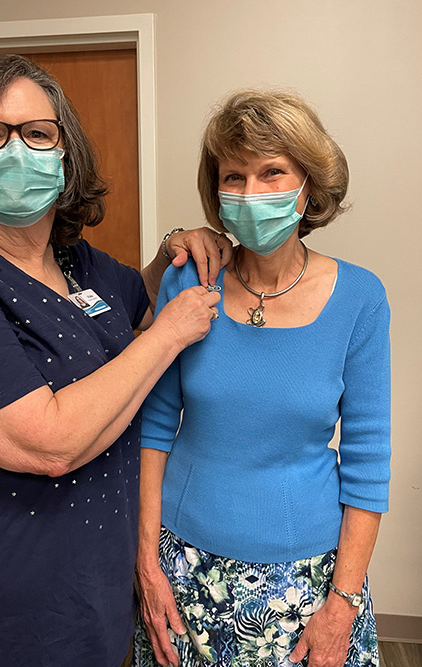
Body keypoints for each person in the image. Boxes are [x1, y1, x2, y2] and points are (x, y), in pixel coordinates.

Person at [0, 55, 232, 667]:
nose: (17, 151)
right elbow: (46, 442)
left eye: (38, 133)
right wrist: (169, 334)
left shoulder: (77, 262)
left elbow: (133, 309)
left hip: (90, 598)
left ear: (65, 156)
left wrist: (177, 247)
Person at [134, 90, 390, 667]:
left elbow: (369, 461)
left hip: (310, 581)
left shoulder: (360, 299)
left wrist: (343, 604)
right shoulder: (190, 283)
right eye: (235, 177)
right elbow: (152, 430)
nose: (252, 195)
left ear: (308, 187)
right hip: (183, 568)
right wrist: (146, 564)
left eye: (272, 172)